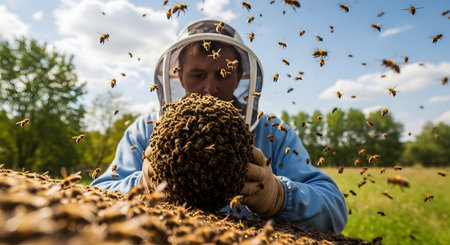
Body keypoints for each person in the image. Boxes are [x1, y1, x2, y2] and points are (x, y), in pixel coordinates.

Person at [91, 19, 347, 234]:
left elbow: (334, 210)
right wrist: (142, 186)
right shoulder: (145, 131)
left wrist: (279, 197)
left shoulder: (273, 133)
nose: (210, 89)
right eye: (198, 75)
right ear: (178, 76)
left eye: (223, 75)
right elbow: (94, 198)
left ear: (239, 78)